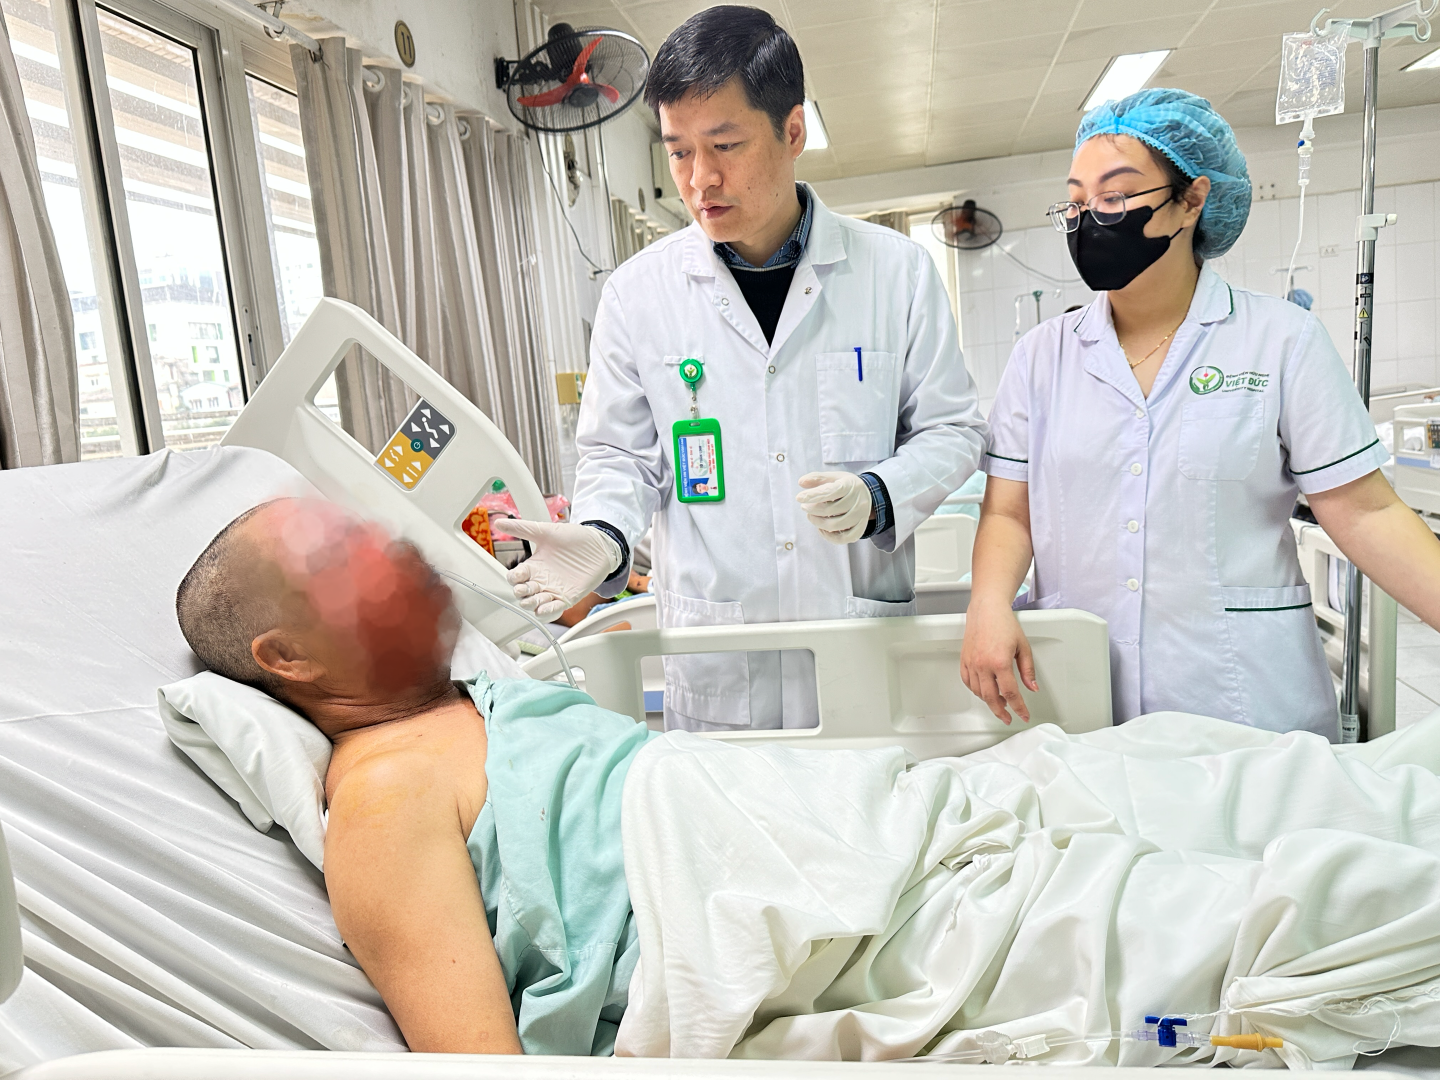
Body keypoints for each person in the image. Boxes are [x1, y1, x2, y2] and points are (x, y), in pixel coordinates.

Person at [175, 498, 1440, 1062]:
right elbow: (486, 1066)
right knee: (1232, 916)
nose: (396, 550)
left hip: (890, 821)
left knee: (1199, 774)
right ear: (289, 658)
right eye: (346, 557)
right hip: (851, 923)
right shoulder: (381, 795)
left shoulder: (474, 702)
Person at [502, 6, 986, 731]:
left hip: (856, 644)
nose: (700, 179)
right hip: (719, 661)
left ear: (792, 132)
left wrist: (880, 494)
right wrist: (603, 533)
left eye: (725, 145)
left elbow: (953, 430)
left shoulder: (897, 274)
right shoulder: (637, 295)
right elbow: (618, 456)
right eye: (678, 152)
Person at [961, 88, 1440, 737]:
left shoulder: (1280, 341)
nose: (1089, 219)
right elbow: (1008, 512)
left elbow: (1366, 512)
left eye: (1114, 197)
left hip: (1245, 704)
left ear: (1191, 200)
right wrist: (987, 603)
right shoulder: (1040, 358)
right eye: (1075, 202)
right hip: (1083, 707)